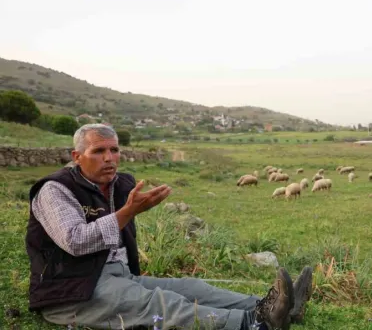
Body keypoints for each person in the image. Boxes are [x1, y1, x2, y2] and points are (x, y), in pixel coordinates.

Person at [26, 123, 312, 330]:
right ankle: (252, 324)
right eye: (98, 151)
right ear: (77, 157)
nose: (109, 157)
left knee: (191, 286)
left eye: (114, 150)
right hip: (69, 292)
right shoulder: (55, 190)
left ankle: (276, 306)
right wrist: (127, 213)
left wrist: (128, 209)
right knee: (160, 303)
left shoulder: (119, 184)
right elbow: (75, 241)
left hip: (117, 276)